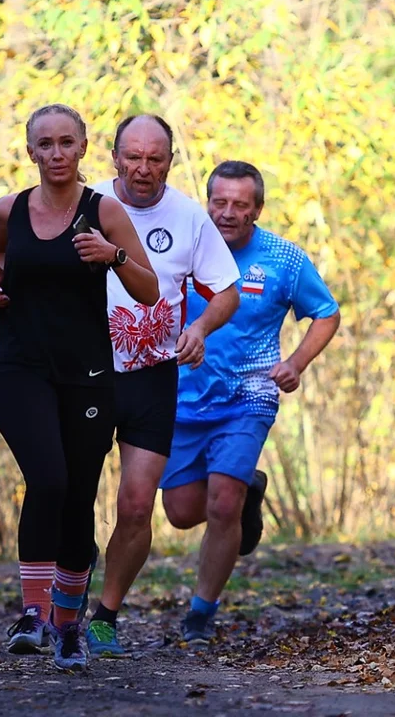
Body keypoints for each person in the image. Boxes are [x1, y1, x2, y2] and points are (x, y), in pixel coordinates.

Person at [0, 104, 159, 670]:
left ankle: (67, 625)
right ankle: (33, 614)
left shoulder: (103, 210)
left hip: (85, 372)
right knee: (49, 478)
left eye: (66, 143)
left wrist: (115, 256)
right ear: (30, 151)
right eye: (45, 145)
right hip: (18, 366)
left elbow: (150, 289)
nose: (56, 154)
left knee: (78, 492)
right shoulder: (9, 209)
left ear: (83, 148)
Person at [161, 160, 340, 646]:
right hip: (181, 397)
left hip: (250, 393)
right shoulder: (183, 247)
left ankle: (200, 613)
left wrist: (297, 363)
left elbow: (325, 314)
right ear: (207, 202)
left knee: (223, 502)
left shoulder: (283, 258)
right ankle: (248, 493)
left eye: (240, 205)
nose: (228, 213)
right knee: (179, 511)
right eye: (219, 202)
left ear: (257, 209)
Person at [82, 115, 241, 657]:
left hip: (152, 375)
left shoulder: (189, 217)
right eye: (133, 156)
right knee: (71, 497)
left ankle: (105, 614)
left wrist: (197, 327)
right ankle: (59, 598)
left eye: (156, 158)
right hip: (85, 375)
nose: (143, 169)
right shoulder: (86, 202)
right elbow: (12, 242)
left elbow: (226, 291)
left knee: (135, 504)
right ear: (113, 156)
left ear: (170, 160)